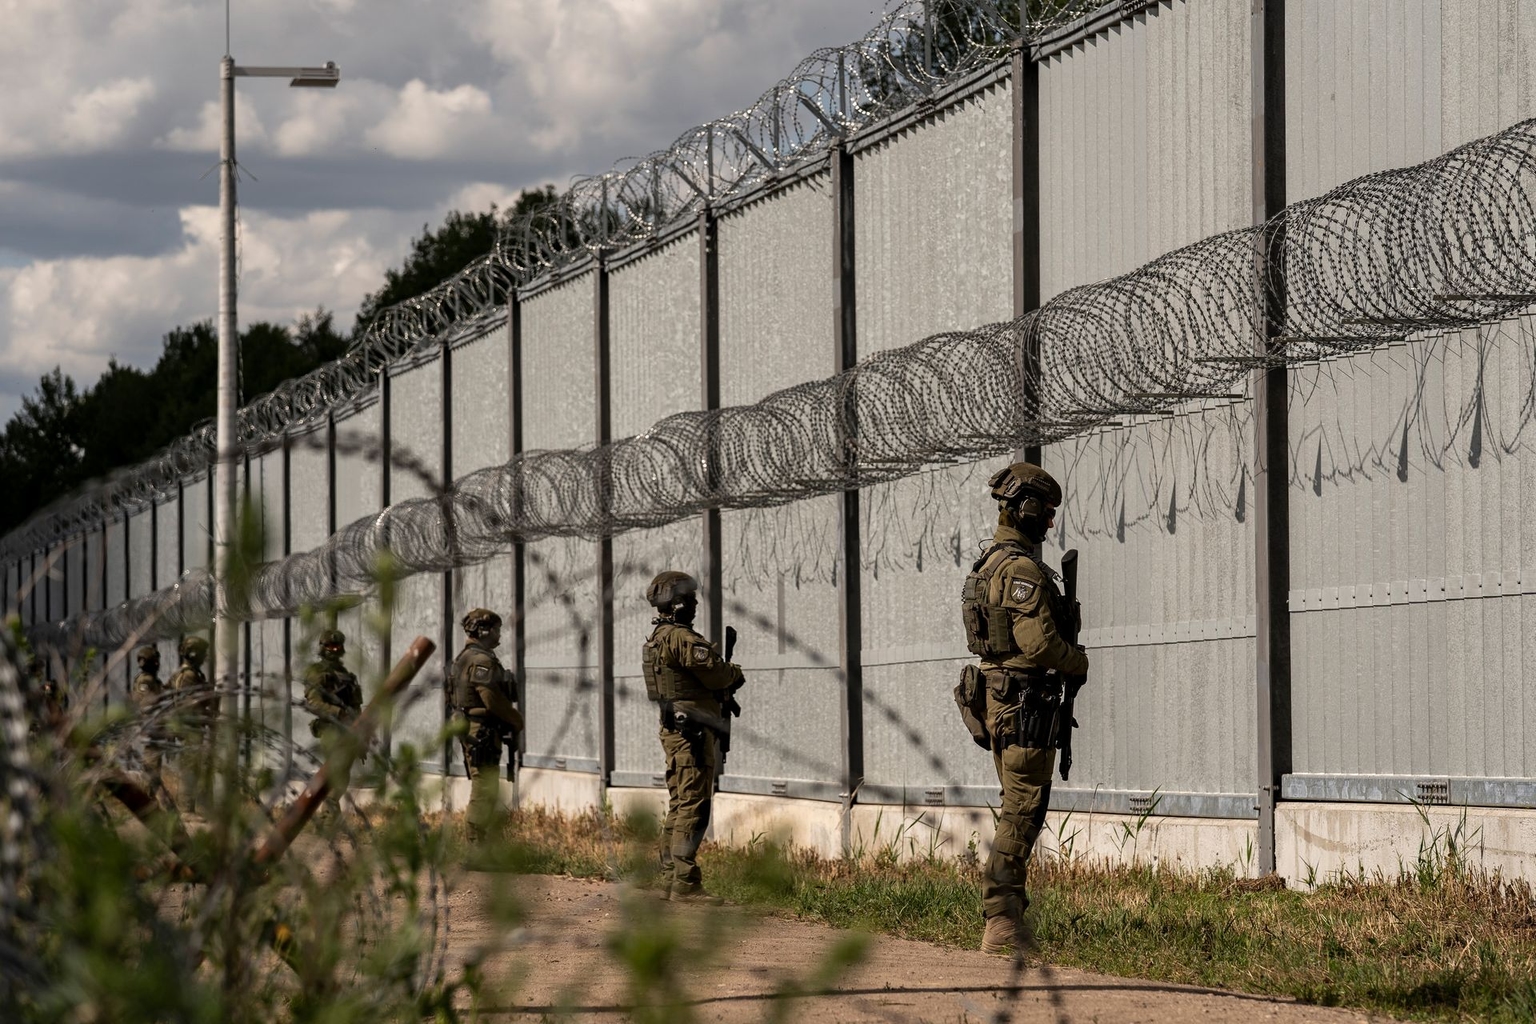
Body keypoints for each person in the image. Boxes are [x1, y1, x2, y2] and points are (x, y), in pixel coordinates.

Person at [960, 462, 1089, 956]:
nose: (1051, 522)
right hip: (1024, 702)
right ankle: (1003, 920)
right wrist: (1077, 661)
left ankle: (1007, 911)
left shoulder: (987, 564)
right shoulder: (1020, 569)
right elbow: (1039, 645)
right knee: (1023, 809)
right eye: (1047, 511)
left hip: (999, 699)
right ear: (1027, 507)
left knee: (1016, 805)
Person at [641, 571, 744, 903]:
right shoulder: (681, 639)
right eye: (692, 599)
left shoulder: (658, 637)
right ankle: (685, 884)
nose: (696, 605)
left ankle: (671, 878)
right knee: (694, 805)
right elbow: (717, 674)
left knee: (679, 804)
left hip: (677, 730)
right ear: (678, 603)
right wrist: (734, 673)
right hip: (691, 734)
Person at [448, 608, 523, 842]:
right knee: (484, 786)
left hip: (475, 727)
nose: (499, 635)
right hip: (480, 729)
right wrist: (515, 718)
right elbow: (490, 698)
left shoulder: (464, 658)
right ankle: (475, 847)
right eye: (496, 630)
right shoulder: (481, 660)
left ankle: (481, 844)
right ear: (483, 630)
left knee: (484, 784)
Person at [303, 629, 363, 820]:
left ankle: (328, 809)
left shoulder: (346, 675)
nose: (334, 649)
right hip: (330, 729)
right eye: (330, 646)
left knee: (343, 771)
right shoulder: (317, 672)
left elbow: (356, 706)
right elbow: (313, 703)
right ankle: (328, 813)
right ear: (322, 648)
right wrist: (338, 712)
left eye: (337, 646)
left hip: (348, 729)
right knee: (335, 770)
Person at [132, 645, 173, 811]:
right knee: (151, 764)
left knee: (154, 764)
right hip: (151, 726)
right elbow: (147, 703)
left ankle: (148, 798)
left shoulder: (153, 680)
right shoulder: (145, 681)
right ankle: (145, 800)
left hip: (156, 726)